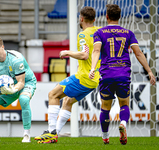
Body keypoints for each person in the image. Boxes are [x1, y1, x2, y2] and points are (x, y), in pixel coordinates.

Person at [89, 4, 156, 145]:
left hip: (106, 74)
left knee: (105, 106)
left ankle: (105, 137)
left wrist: (92, 69)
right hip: (123, 74)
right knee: (124, 103)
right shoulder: (128, 33)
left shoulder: (99, 33)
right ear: (120, 17)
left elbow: (95, 51)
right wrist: (149, 71)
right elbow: (138, 53)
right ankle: (123, 123)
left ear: (106, 16)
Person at [34, 6, 101, 144]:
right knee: (67, 101)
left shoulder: (83, 34)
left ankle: (51, 132)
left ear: (81, 19)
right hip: (95, 79)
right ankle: (55, 135)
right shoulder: (100, 32)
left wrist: (67, 52)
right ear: (94, 19)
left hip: (84, 77)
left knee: (53, 94)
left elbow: (84, 55)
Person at [0, 35, 37, 143]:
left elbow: (21, 82)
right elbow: (5, 82)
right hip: (12, 87)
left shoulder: (16, 59)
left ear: (2, 47)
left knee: (24, 99)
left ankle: (26, 135)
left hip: (27, 83)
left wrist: (11, 90)